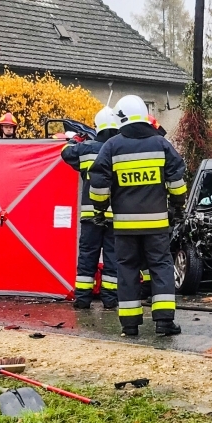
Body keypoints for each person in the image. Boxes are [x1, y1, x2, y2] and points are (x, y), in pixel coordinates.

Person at [88, 94, 188, 337]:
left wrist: (99, 210)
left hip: (124, 227)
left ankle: (130, 325)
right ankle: (164, 322)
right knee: (161, 267)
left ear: (121, 117)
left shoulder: (112, 146)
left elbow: (99, 184)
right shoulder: (162, 145)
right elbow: (177, 182)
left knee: (128, 271)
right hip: (157, 225)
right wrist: (176, 208)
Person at [61, 106, 122, 310]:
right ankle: (110, 300)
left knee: (87, 256)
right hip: (115, 216)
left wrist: (75, 139)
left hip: (90, 215)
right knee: (113, 258)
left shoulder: (86, 149)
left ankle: (83, 299)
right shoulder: (121, 149)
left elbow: (65, 153)